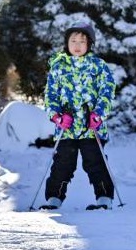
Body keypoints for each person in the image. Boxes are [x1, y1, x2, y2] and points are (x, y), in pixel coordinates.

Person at [40, 20, 116, 210]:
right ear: (67, 43)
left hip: (92, 127)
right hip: (66, 128)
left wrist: (98, 114)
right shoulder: (58, 66)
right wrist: (57, 116)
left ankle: (104, 198)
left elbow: (107, 91)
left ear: (89, 44)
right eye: (73, 41)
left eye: (82, 41)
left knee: (96, 163)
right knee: (62, 165)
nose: (77, 45)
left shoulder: (98, 66)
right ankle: (54, 199)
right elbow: (50, 95)